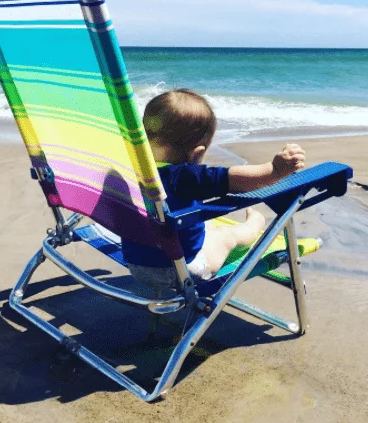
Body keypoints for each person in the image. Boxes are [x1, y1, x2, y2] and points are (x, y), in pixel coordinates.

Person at [121, 88, 306, 287]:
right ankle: (255, 223)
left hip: (136, 265)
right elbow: (237, 181)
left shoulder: (128, 167)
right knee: (226, 235)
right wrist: (275, 170)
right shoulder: (184, 176)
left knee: (196, 223)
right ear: (196, 154)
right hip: (183, 272)